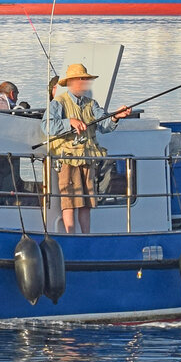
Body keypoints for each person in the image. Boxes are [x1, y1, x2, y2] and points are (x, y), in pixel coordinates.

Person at [42, 63, 130, 234]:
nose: (85, 83)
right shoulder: (58, 103)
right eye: (82, 79)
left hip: (88, 159)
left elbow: (104, 125)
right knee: (69, 202)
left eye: (86, 80)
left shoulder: (92, 104)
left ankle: (85, 235)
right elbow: (46, 126)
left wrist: (116, 117)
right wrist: (70, 123)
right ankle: (70, 235)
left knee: (87, 202)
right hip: (68, 160)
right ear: (71, 82)